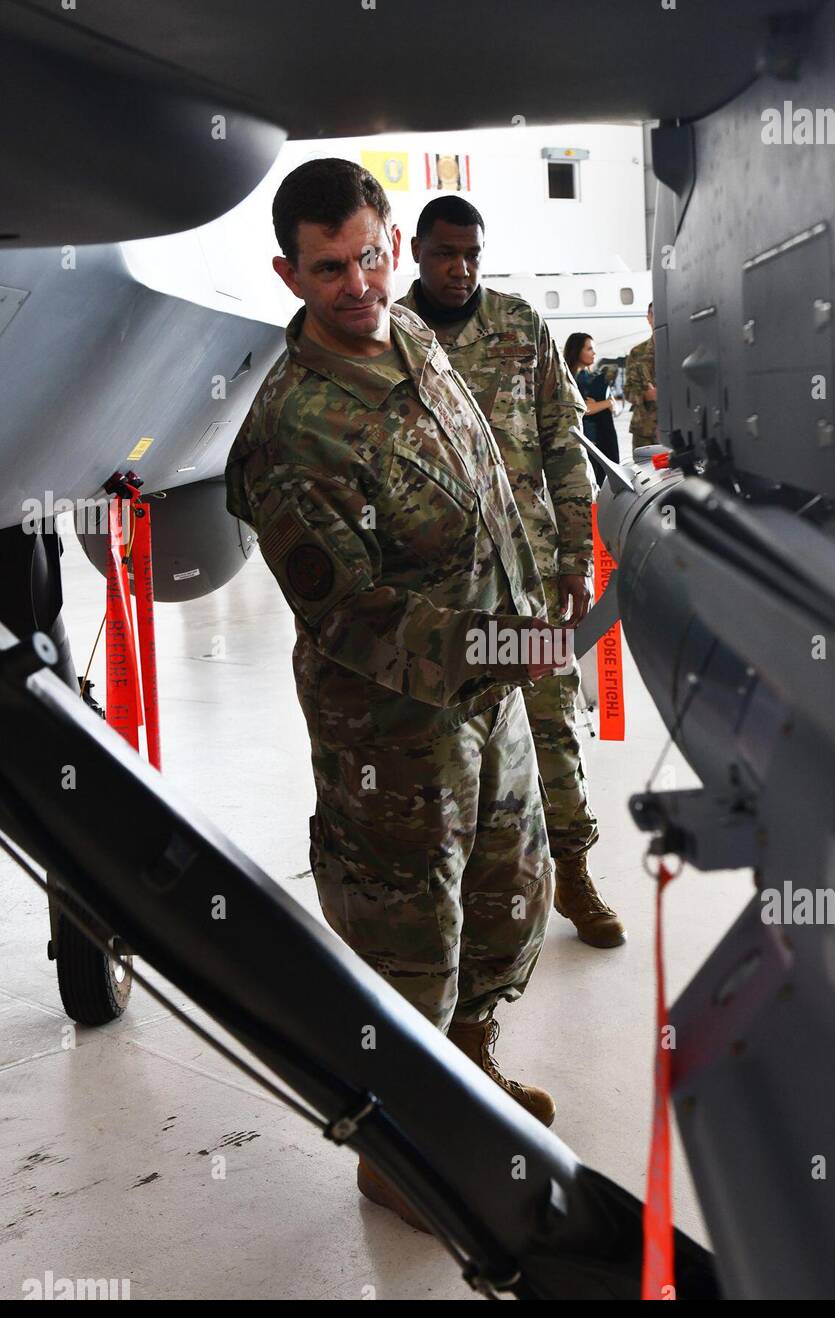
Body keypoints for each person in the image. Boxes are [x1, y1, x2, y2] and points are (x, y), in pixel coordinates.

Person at [224, 159, 568, 1229]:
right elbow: (354, 616)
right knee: (408, 936)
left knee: (506, 896)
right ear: (290, 270)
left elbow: (487, 488)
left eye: (370, 254)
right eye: (330, 268)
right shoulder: (291, 432)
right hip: (393, 734)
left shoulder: (415, 336)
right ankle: (398, 1152)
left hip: (489, 698)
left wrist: (535, 599)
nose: (359, 282)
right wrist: (504, 642)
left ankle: (468, 1078)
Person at [400, 197, 626, 950]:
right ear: (415, 253)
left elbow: (564, 442)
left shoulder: (521, 326)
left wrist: (573, 559)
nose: (459, 269)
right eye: (443, 254)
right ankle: (461, 897)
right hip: (439, 594)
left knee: (552, 727)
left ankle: (574, 872)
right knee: (445, 743)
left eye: (471, 254)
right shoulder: (392, 339)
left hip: (526, 581)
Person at [565, 333, 620, 475]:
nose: (594, 353)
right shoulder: (571, 379)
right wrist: (607, 403)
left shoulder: (591, 378)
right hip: (589, 443)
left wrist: (607, 404)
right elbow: (584, 408)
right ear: (577, 351)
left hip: (599, 440)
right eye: (589, 349)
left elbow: (614, 407)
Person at [625, 302, 658, 451]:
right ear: (649, 318)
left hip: (678, 428)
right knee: (644, 472)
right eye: (654, 315)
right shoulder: (637, 353)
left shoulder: (680, 349)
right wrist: (645, 396)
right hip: (645, 430)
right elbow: (627, 391)